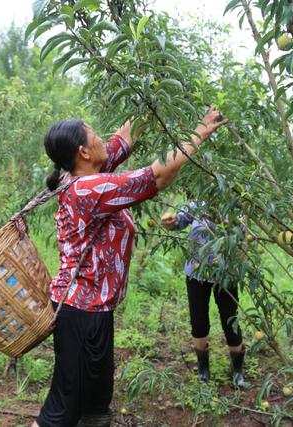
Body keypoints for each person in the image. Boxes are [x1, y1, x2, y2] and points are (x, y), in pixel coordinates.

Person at [33, 108, 227, 427]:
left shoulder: (86, 173)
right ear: (83, 151)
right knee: (61, 413)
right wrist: (199, 132)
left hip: (95, 312)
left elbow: (122, 140)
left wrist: (149, 95)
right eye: (94, 134)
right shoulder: (86, 189)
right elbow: (157, 177)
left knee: (96, 408)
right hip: (80, 314)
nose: (101, 139)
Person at [161, 204, 245, 386]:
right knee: (198, 320)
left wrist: (223, 221)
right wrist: (169, 222)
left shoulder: (234, 203)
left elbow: (242, 233)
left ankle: (237, 369)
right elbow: (179, 222)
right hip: (196, 274)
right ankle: (203, 369)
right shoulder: (196, 204)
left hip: (226, 274)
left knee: (230, 320)